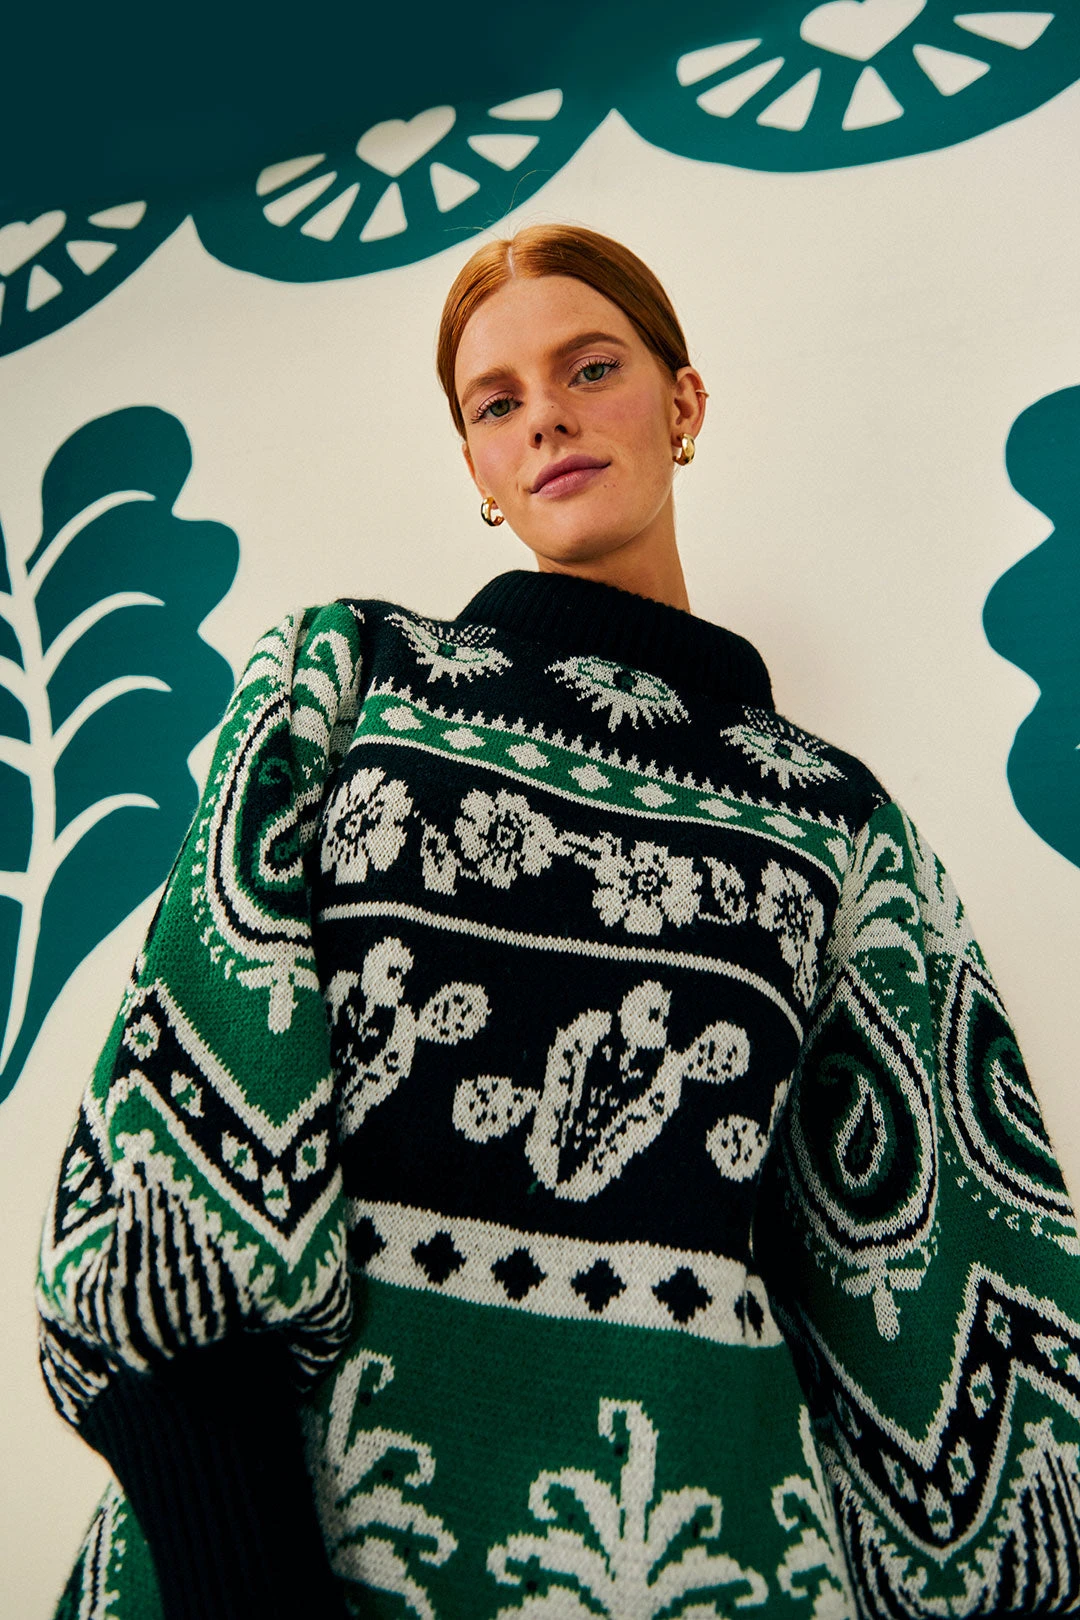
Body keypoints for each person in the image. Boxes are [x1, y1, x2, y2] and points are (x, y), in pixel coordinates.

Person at [38, 224, 1080, 1620]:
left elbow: (952, 1307)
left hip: (700, 1558)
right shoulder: (349, 682)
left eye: (592, 369)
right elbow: (178, 1115)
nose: (547, 418)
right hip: (278, 1545)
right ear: (476, 466)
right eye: (497, 402)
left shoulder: (840, 824)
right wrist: (237, 1562)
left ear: (683, 403)